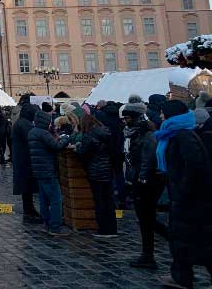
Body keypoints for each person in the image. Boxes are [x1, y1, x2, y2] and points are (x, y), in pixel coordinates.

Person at [155, 99, 212, 288]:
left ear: (171, 115)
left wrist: (183, 190)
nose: (161, 116)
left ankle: (182, 277)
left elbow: (195, 166)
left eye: (163, 113)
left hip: (190, 200)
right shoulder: (176, 134)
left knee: (194, 240)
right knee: (185, 241)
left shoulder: (183, 136)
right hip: (186, 198)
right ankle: (181, 275)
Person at [120, 98, 163, 269]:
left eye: (128, 119)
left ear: (136, 118)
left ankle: (153, 251)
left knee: (148, 220)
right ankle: (147, 254)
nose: (125, 122)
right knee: (145, 220)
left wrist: (141, 179)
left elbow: (148, 159)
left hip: (146, 183)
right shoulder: (134, 133)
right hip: (137, 180)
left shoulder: (147, 135)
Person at [28, 109, 70, 236]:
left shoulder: (32, 132)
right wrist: (65, 139)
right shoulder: (43, 133)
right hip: (47, 170)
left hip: (38, 170)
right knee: (56, 199)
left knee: (44, 199)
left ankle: (46, 223)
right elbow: (56, 146)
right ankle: (55, 227)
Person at [74, 113, 117, 238]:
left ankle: (103, 229)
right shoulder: (106, 133)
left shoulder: (89, 135)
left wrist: (77, 148)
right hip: (107, 170)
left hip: (95, 171)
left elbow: (84, 153)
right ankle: (112, 229)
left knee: (99, 201)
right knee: (109, 200)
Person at [11, 103, 41, 223]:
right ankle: (29, 209)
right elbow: (32, 138)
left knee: (26, 186)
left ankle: (29, 208)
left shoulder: (21, 122)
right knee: (27, 184)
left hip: (21, 158)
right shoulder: (24, 124)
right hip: (24, 159)